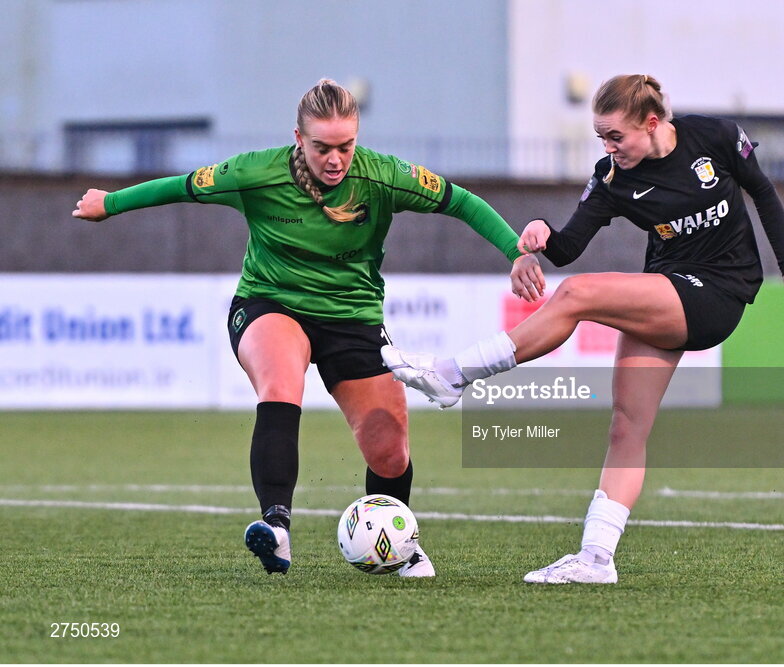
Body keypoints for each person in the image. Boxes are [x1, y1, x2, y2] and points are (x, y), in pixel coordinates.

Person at [72, 78, 541, 577]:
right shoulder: (255, 172)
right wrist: (111, 203)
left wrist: (516, 251)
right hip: (270, 302)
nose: (336, 159)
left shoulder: (384, 176)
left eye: (346, 146)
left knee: (389, 445)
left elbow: (461, 201)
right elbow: (180, 186)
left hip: (352, 316)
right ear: (299, 138)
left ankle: (397, 540)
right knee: (280, 383)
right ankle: (276, 528)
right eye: (322, 147)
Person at [382, 74, 784, 584]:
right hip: (671, 288)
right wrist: (541, 235)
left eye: (616, 137)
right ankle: (595, 559)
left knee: (577, 295)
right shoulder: (613, 177)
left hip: (722, 291)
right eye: (601, 138)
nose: (609, 148)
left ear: (652, 124)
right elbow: (568, 249)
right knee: (626, 426)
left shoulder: (714, 137)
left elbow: (762, 192)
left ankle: (453, 374)